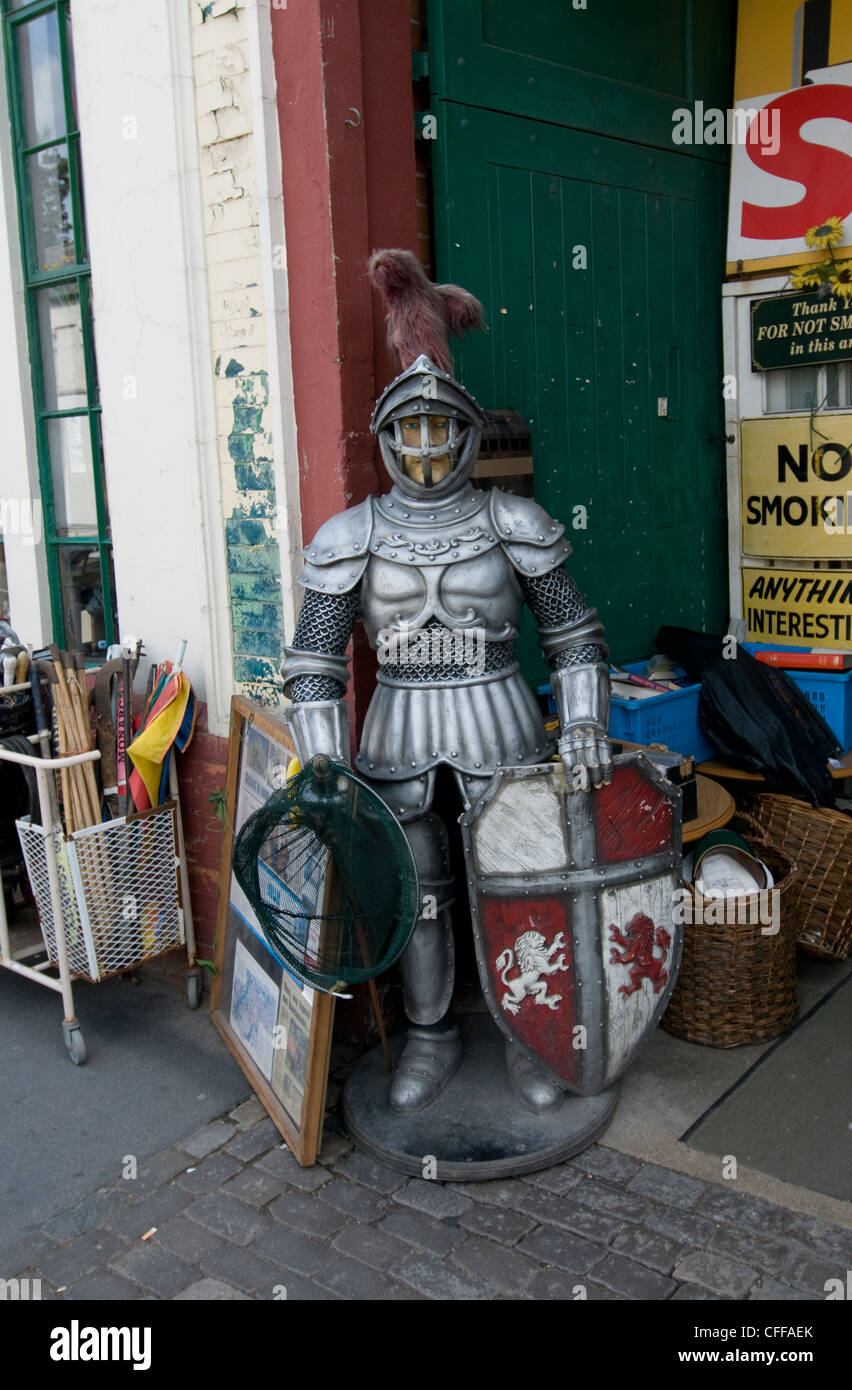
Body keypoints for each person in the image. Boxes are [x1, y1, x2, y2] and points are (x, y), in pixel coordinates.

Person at [281, 255, 612, 1116]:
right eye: (410, 434)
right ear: (387, 438)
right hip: (395, 735)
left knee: (520, 888)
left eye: (440, 433)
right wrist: (322, 766)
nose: (425, 450)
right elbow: (313, 664)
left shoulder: (513, 519)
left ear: (465, 434)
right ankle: (430, 1035)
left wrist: (582, 725)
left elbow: (575, 636)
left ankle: (527, 1034)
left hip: (500, 724)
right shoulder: (347, 534)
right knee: (419, 890)